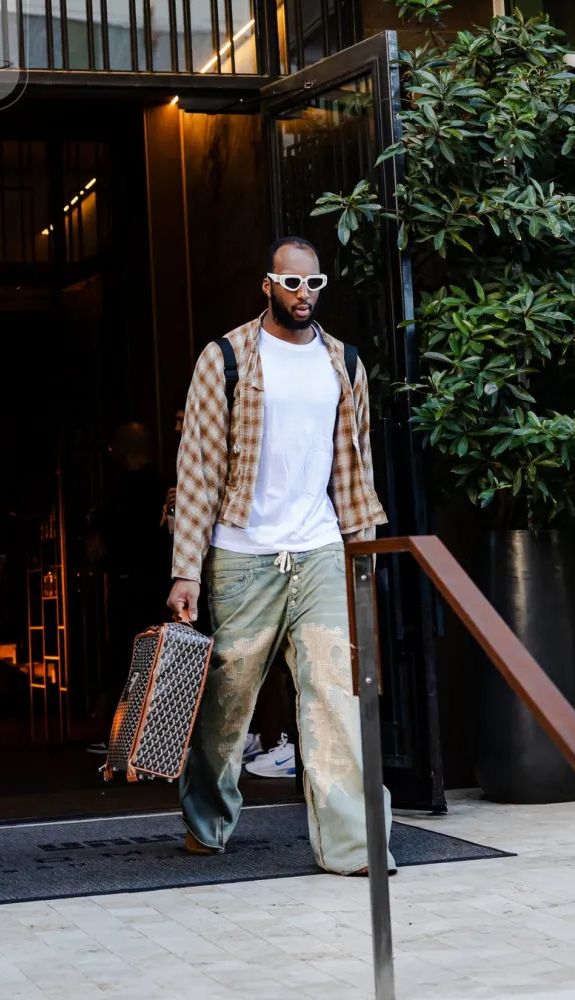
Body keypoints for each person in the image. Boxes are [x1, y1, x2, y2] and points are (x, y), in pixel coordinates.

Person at [167, 236, 395, 876]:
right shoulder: (225, 358)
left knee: (334, 697)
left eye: (313, 283)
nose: (303, 294)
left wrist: (361, 552)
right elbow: (197, 471)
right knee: (227, 702)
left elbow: (355, 467)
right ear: (267, 285)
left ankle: (355, 846)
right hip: (243, 555)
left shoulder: (344, 362)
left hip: (320, 547)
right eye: (291, 282)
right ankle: (206, 818)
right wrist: (186, 570)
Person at [88, 423, 172, 725]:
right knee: (152, 659)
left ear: (121, 449)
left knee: (128, 658)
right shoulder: (163, 484)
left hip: (132, 585)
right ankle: (146, 729)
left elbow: (98, 542)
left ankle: (124, 731)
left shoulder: (120, 491)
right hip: (159, 584)